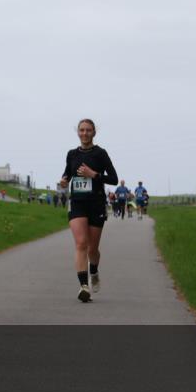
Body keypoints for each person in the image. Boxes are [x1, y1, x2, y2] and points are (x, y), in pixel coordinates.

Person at [57, 119, 118, 303]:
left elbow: (114, 179)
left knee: (93, 249)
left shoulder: (101, 154)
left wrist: (94, 175)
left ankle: (94, 271)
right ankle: (84, 286)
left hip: (96, 203)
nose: (85, 133)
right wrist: (64, 181)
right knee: (81, 244)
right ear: (78, 132)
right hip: (77, 202)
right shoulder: (71, 154)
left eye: (88, 130)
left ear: (94, 133)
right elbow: (67, 174)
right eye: (82, 130)